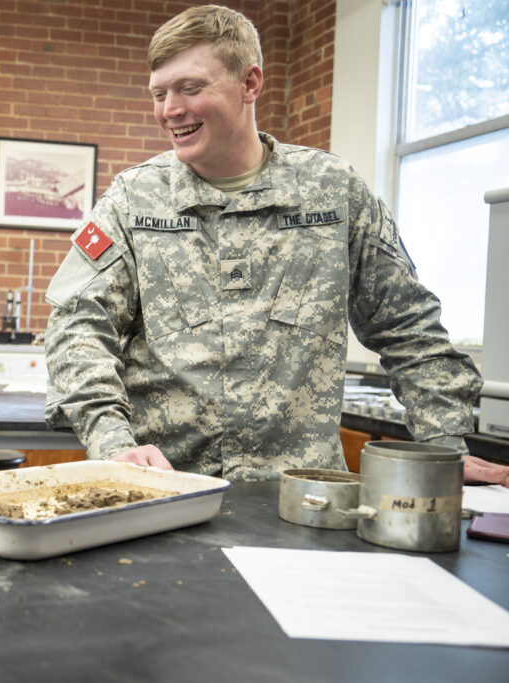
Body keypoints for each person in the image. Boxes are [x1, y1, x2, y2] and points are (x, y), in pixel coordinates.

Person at [44, 4, 483, 480]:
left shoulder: (334, 192)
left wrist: (444, 448)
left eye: (190, 88)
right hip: (166, 491)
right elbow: (77, 327)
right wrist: (113, 442)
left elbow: (408, 326)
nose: (170, 109)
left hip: (303, 499)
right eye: (159, 93)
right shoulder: (133, 200)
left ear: (250, 83)